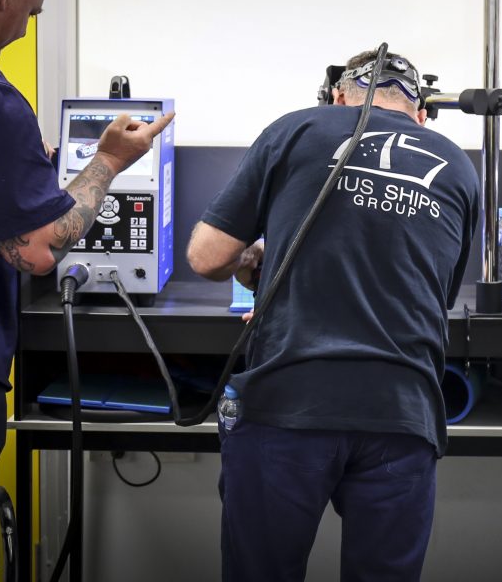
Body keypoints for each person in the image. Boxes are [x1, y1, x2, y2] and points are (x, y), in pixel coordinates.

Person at [0, 0, 174, 581]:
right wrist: (108, 164)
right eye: (30, 11)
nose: (24, 28)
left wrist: (9, 175)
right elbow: (38, 250)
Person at [187, 49, 480, 582]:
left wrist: (260, 265)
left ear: (339, 95)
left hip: (289, 403)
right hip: (403, 412)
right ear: (420, 111)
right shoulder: (457, 164)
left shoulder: (297, 128)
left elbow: (207, 258)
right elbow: (434, 291)